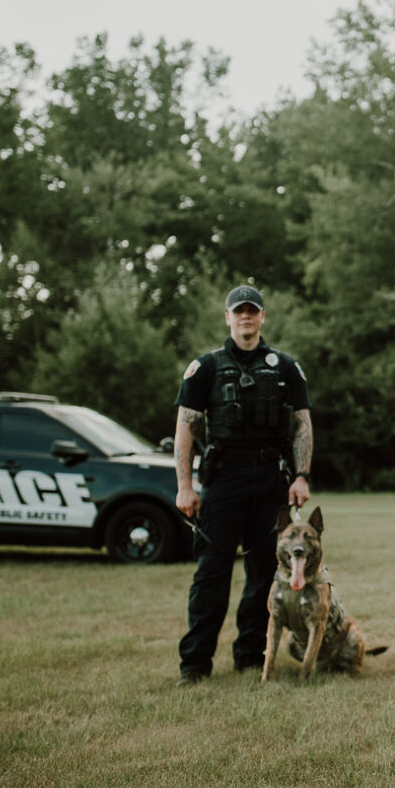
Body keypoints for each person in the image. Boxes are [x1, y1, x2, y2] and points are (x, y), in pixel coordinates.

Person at [172, 285, 313, 686]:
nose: (246, 317)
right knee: (211, 574)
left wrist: (301, 475)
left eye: (253, 311)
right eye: (239, 311)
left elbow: (302, 424)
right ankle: (195, 664)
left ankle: (251, 656)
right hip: (223, 480)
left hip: (271, 481)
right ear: (228, 317)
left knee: (264, 573)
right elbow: (185, 429)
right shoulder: (206, 368)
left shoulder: (285, 368)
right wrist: (185, 485)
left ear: (262, 317)